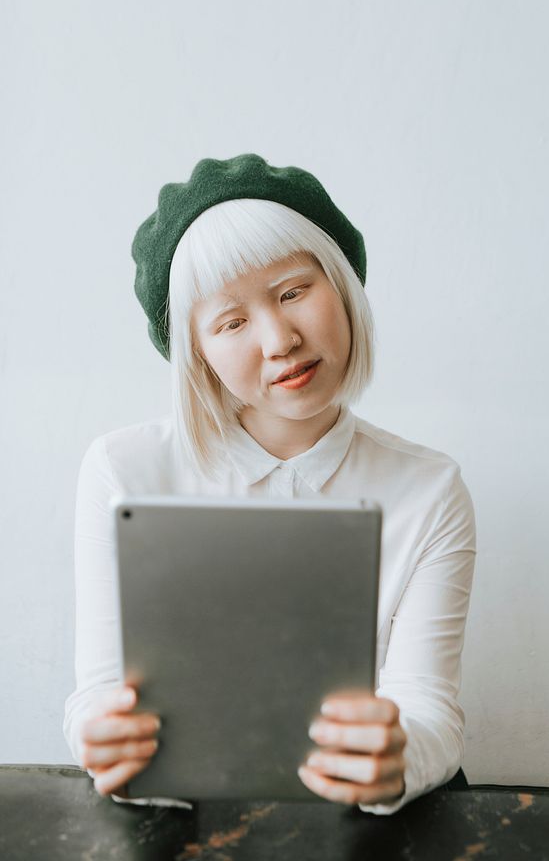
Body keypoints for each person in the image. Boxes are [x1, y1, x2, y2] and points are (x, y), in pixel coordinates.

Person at [62, 153, 477, 815]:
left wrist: (399, 757)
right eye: (231, 321)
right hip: (185, 814)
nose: (280, 339)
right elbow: (100, 691)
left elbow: (428, 707)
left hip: (368, 820)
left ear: (341, 287)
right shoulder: (122, 470)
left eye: (292, 292)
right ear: (196, 350)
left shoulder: (428, 487)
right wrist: (98, 737)